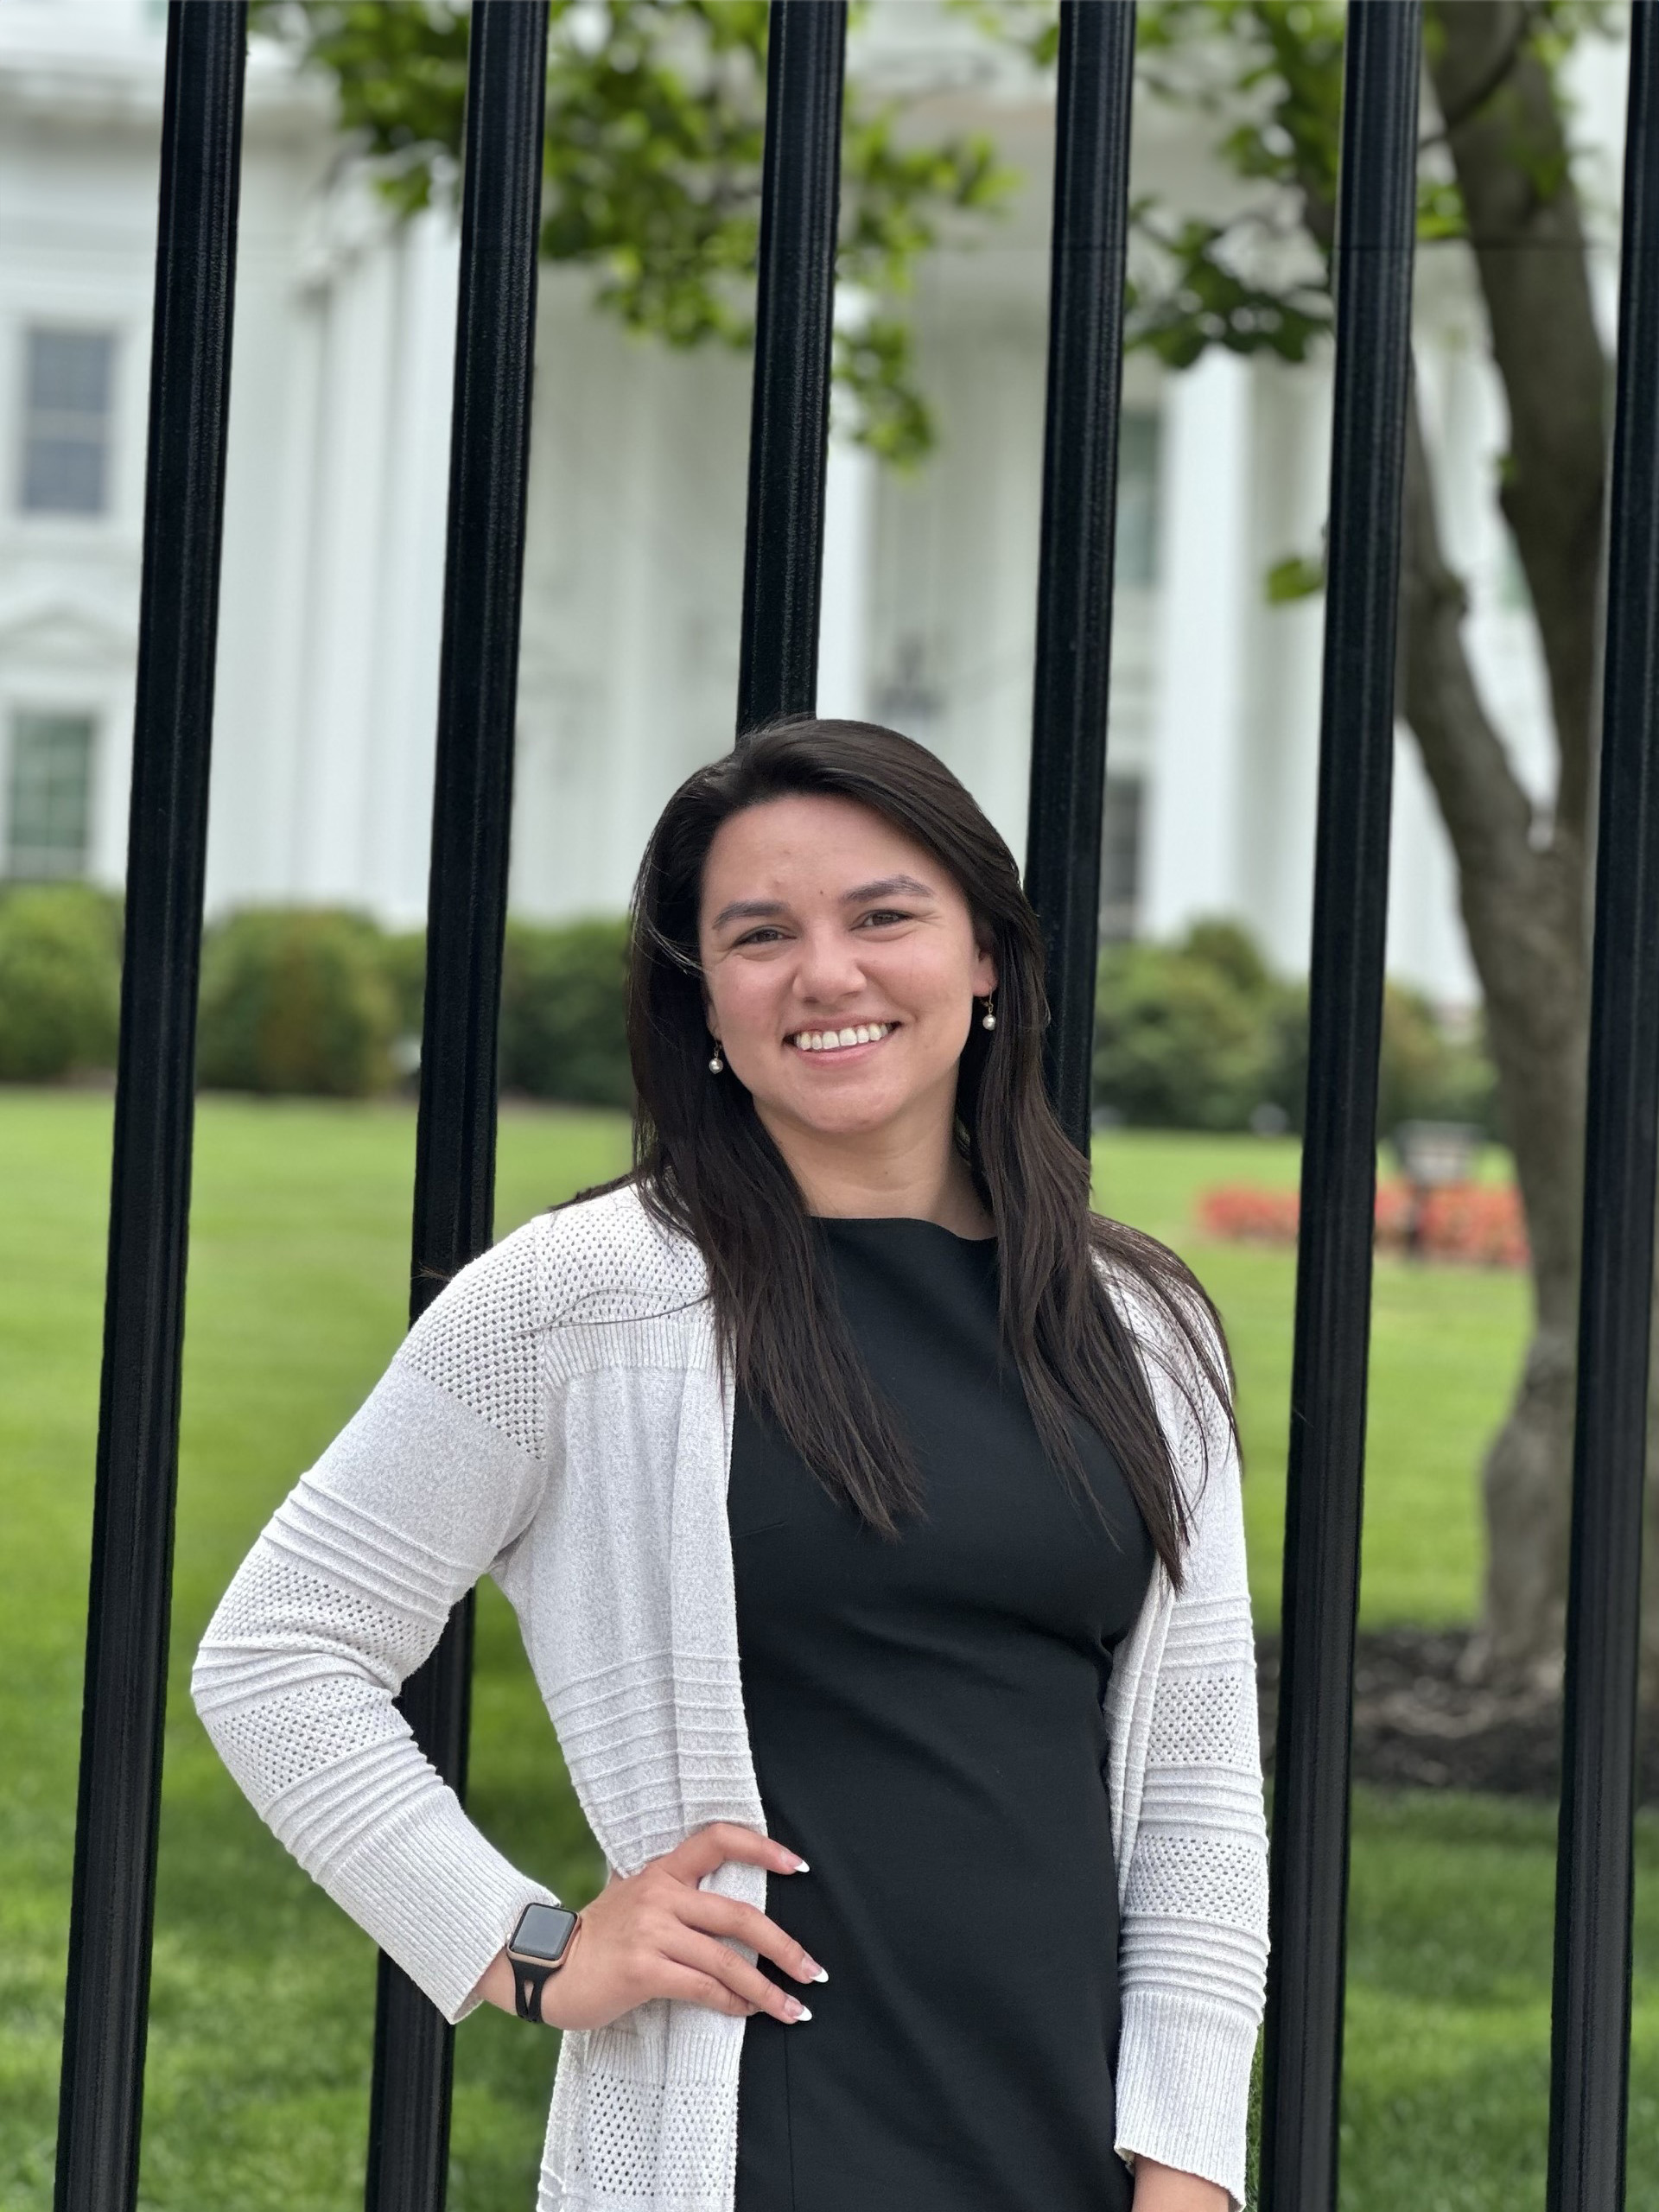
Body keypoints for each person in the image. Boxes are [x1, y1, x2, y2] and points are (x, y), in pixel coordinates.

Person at [194, 719, 1268, 2212]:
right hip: (754, 2141)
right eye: (759, 936)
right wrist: (531, 1949)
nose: (826, 974)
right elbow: (277, 1657)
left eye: (884, 916)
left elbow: (1200, 1799)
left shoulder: (1139, 1331)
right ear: (705, 999)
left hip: (1072, 2142)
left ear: (985, 960)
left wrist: (1190, 2161)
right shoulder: (581, 1298)